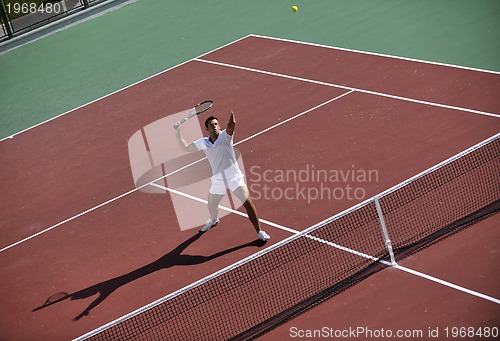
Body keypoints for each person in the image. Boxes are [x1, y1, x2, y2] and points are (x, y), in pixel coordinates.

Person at [174, 111, 270, 241]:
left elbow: (231, 127)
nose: (214, 126)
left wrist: (232, 120)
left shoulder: (225, 137)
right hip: (218, 180)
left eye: (216, 124)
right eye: (211, 125)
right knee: (211, 205)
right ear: (206, 129)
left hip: (234, 177)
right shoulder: (203, 142)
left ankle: (260, 231)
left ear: (219, 126)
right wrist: (177, 133)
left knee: (248, 203)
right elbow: (185, 148)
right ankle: (214, 220)